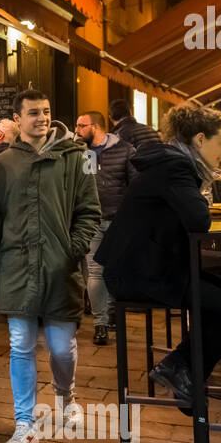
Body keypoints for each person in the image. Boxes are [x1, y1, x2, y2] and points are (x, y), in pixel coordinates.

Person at [97, 103, 221, 413]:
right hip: (136, 273)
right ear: (200, 139)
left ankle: (181, 370)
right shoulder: (177, 166)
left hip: (150, 265)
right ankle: (183, 372)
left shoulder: (175, 162)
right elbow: (198, 220)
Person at [0, 89, 101, 443]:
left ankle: (66, 395)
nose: (41, 118)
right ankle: (24, 422)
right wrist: (0, 253)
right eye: (33, 113)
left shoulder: (78, 157)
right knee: (21, 345)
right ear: (17, 119)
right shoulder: (2, 164)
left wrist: (73, 247)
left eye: (46, 111)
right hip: (16, 267)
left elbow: (90, 210)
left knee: (62, 347)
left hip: (60, 266)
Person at [74, 111, 137, 345]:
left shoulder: (124, 150)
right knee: (95, 271)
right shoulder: (82, 153)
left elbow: (135, 183)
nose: (76, 130)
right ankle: (101, 323)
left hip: (118, 220)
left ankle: (111, 313)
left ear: (96, 127)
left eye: (81, 126)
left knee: (116, 270)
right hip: (92, 221)